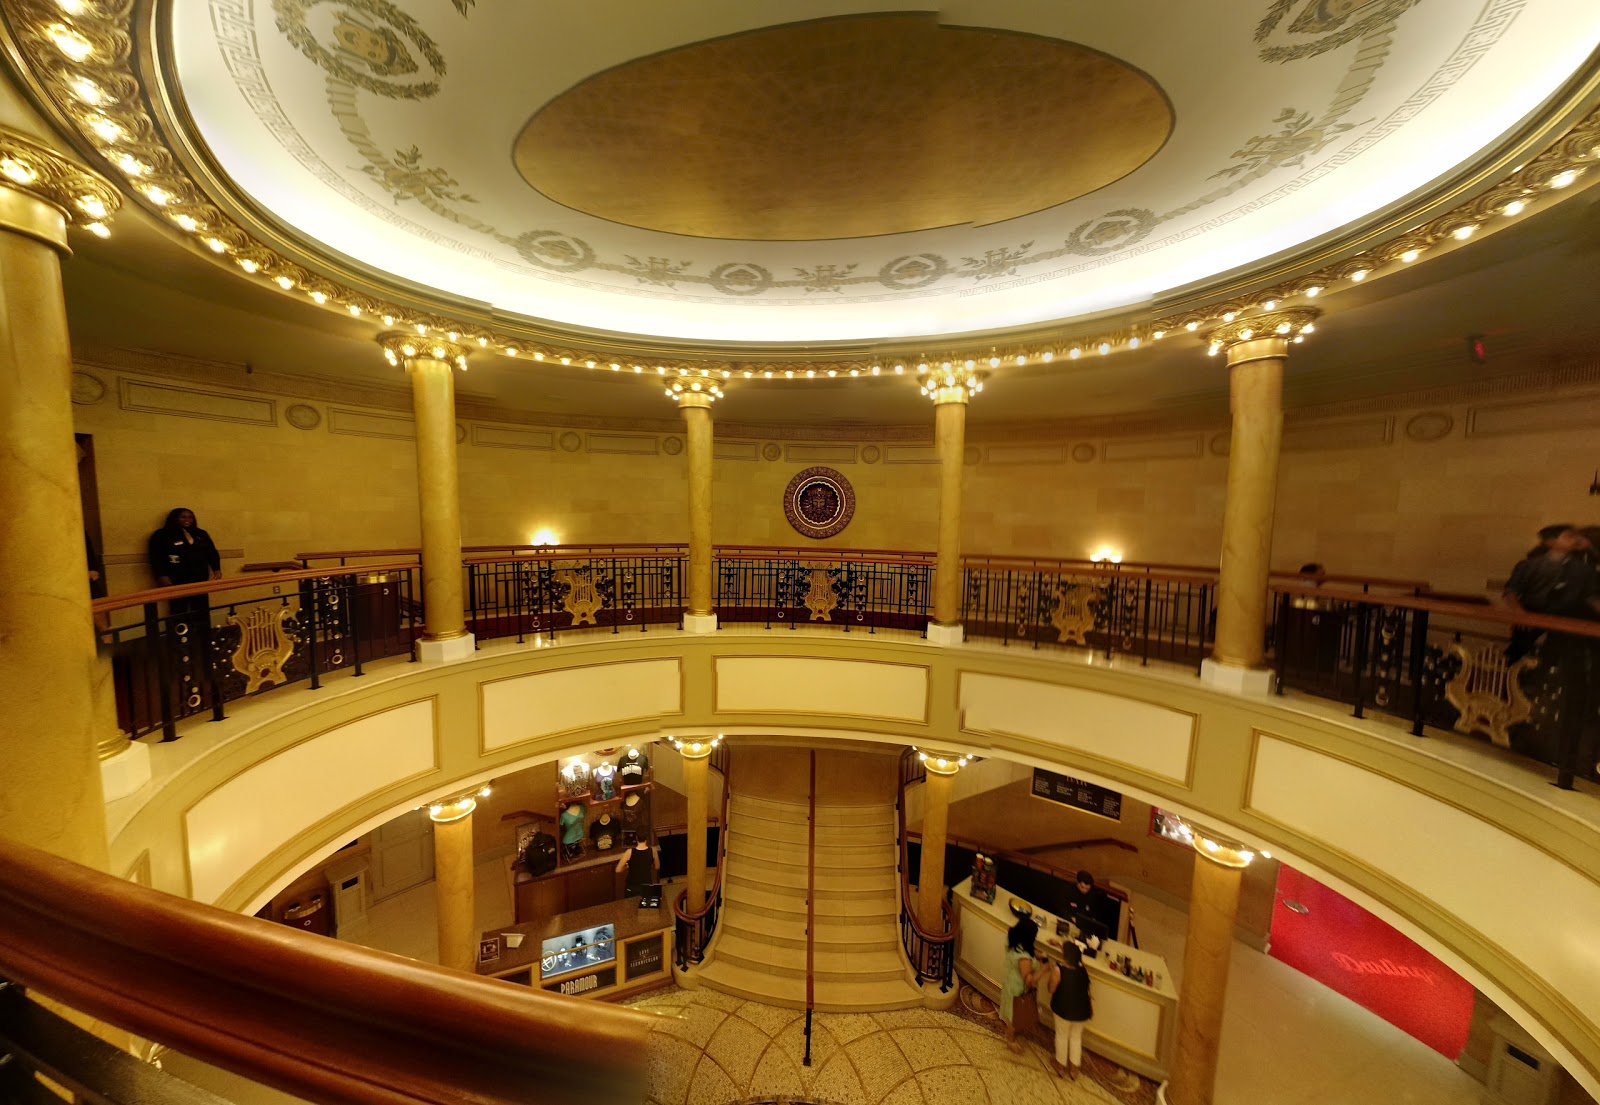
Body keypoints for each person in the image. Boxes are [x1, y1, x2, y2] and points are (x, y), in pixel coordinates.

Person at [1503, 527, 1600, 782]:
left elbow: (1592, 598)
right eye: (1567, 536)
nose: (1573, 540)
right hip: (1530, 625)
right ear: (1550, 541)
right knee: (1519, 667)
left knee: (1551, 669)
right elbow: (1511, 592)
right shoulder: (1530, 566)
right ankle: (1512, 713)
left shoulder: (1584, 570)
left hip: (1563, 627)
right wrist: (1521, 614)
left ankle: (1540, 718)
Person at [146, 508, 222, 624]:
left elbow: (211, 552)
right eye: (183, 517)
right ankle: (181, 638)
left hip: (199, 578)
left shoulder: (200, 533)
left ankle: (204, 635)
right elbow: (156, 557)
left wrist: (216, 568)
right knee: (178, 609)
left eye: (190, 517)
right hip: (177, 578)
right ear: (175, 518)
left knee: (201, 608)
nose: (187, 520)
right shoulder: (162, 534)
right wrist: (162, 575)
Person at [1046, 942, 1094, 1080]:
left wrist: (1051, 973)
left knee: (1061, 1036)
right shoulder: (1083, 969)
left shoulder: (1058, 970)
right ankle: (1074, 1071)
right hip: (1082, 1012)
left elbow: (1051, 989)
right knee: (1075, 1038)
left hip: (1064, 1010)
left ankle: (1060, 1066)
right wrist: (1062, 945)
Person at [999, 916, 1040, 1053]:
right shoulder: (1024, 957)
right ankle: (1010, 1040)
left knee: (1011, 1012)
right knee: (1014, 1018)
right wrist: (1044, 969)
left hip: (1010, 983)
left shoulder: (1014, 942)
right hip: (1017, 989)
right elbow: (1029, 980)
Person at [615, 834, 659, 898]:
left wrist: (626, 867)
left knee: (630, 906)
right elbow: (657, 867)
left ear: (636, 838)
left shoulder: (629, 852)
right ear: (646, 839)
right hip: (646, 885)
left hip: (632, 887)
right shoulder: (653, 851)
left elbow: (618, 870)